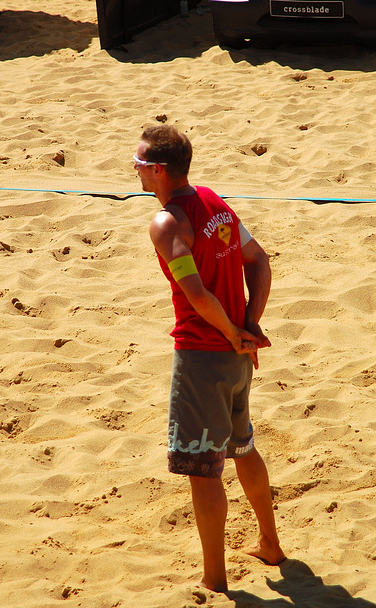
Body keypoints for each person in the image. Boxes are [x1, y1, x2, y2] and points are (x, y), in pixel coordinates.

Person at [134, 125, 285, 593]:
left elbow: (196, 294)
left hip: (203, 355)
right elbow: (258, 260)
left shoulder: (165, 222)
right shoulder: (213, 202)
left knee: (202, 471)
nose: (135, 170)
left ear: (158, 170)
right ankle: (270, 544)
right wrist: (248, 328)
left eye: (139, 164)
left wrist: (234, 333)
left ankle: (215, 579)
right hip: (236, 356)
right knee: (242, 447)